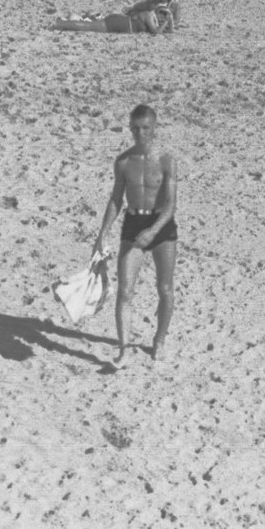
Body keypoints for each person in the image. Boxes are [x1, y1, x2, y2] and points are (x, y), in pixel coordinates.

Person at [88, 103, 179, 367]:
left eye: (145, 129)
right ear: (130, 128)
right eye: (136, 129)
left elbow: (172, 204)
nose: (140, 134)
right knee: (125, 290)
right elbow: (116, 199)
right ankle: (124, 349)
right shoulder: (124, 162)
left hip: (161, 224)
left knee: (165, 289)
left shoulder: (166, 161)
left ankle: (159, 339)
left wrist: (153, 231)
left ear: (154, 129)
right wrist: (102, 233)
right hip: (133, 222)